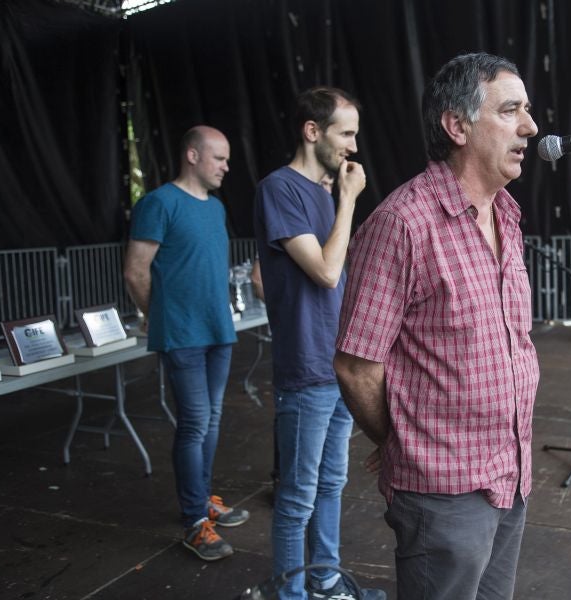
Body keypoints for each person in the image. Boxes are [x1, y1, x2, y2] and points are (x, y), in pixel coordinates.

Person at [333, 53, 541, 600]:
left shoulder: (508, 216)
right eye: (511, 110)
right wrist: (400, 438)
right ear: (457, 126)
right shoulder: (402, 223)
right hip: (444, 490)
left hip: (510, 474)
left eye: (528, 110)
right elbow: (356, 365)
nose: (530, 126)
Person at [251, 87, 385, 600]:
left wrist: (339, 199)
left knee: (330, 487)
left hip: (337, 365)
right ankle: (291, 595)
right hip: (306, 366)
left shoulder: (324, 192)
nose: (353, 145)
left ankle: (325, 582)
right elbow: (327, 272)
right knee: (297, 497)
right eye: (345, 133)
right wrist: (348, 199)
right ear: (313, 131)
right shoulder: (278, 188)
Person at [124, 125, 250, 562]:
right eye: (219, 158)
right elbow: (136, 271)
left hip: (217, 329)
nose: (226, 167)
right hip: (182, 334)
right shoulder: (158, 203)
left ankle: (202, 499)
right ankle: (195, 521)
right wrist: (158, 318)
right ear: (193, 156)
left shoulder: (214, 208)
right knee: (196, 422)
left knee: (211, 420)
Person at [249, 172, 336, 489]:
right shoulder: (280, 193)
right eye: (321, 184)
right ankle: (278, 475)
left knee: (331, 482)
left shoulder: (328, 215)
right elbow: (260, 277)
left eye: (330, 185)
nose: (327, 190)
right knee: (298, 490)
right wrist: (286, 309)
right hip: (305, 356)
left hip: (332, 359)